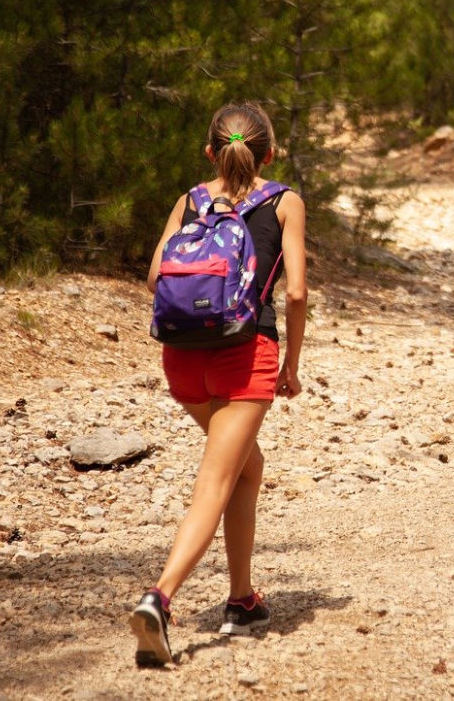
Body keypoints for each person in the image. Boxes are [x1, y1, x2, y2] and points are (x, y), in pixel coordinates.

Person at [131, 101, 307, 666]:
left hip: (181, 359)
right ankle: (160, 599)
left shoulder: (190, 199)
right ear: (270, 154)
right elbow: (297, 291)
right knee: (216, 480)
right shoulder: (285, 202)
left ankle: (241, 599)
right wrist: (291, 366)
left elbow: (158, 274)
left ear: (211, 152)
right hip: (244, 352)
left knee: (246, 468)